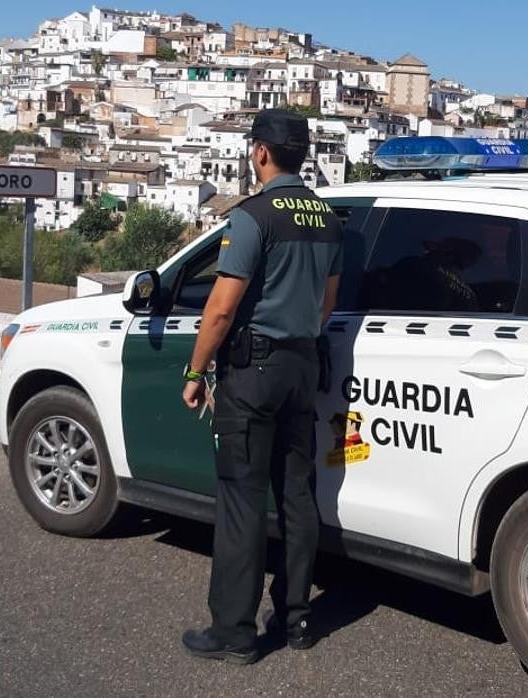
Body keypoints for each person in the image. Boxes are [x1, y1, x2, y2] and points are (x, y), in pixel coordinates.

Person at [180, 108, 344, 665]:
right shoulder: (326, 216)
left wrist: (196, 371)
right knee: (297, 495)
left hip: (253, 372)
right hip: (303, 366)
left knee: (242, 500)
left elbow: (221, 310)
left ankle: (234, 632)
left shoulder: (253, 215)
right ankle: (297, 618)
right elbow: (328, 301)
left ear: (260, 153)